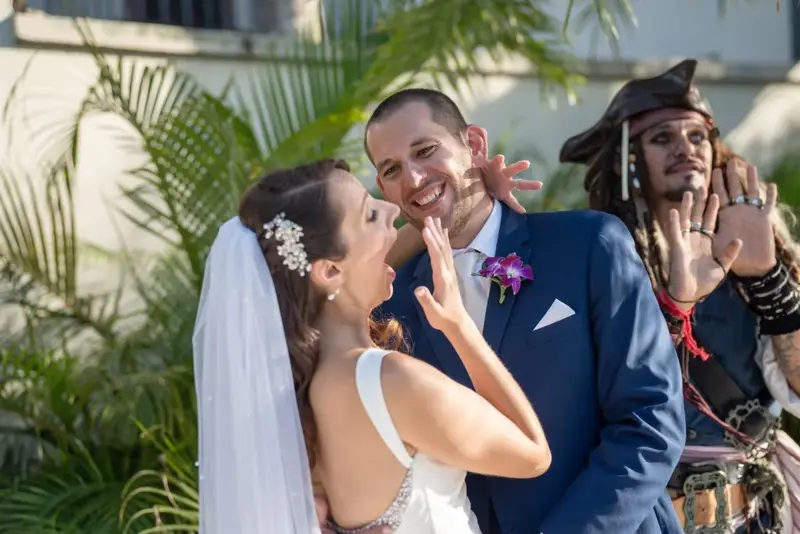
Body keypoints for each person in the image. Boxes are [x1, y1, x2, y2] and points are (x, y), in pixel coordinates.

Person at [348, 87, 689, 534]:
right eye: (392, 169)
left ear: (473, 146)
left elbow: (651, 421)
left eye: (426, 150)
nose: (412, 179)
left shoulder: (589, 245)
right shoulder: (389, 309)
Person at [192, 158, 553, 534]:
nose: (393, 209)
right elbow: (532, 453)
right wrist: (459, 326)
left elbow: (356, 263)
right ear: (329, 271)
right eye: (369, 215)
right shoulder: (394, 383)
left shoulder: (299, 396)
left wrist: (469, 198)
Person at [558, 58, 800, 533]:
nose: (685, 149)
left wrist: (767, 278)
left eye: (696, 137)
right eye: (662, 138)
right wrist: (676, 301)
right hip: (645, 516)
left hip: (752, 515)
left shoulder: (755, 244)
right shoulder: (599, 256)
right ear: (629, 158)